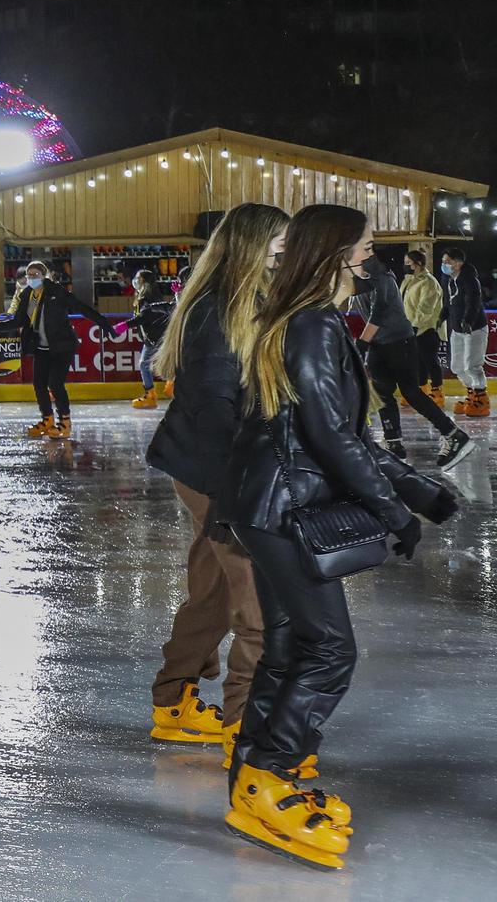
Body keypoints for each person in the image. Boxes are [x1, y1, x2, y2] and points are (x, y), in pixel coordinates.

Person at [218, 204, 460, 870]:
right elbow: (330, 434)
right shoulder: (316, 322)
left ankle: (252, 774)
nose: (370, 259)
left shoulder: (293, 317)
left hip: (264, 505)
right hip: (284, 507)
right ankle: (269, 774)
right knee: (330, 651)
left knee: (293, 642)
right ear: (335, 254)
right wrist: (395, 510)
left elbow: (322, 429)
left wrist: (413, 488)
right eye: (364, 248)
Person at [143, 202, 286, 749]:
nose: (285, 248)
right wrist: (236, 487)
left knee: (213, 593)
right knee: (256, 602)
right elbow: (211, 403)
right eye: (278, 239)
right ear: (251, 242)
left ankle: (173, 699)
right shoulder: (220, 308)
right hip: (217, 470)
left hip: (215, 465)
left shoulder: (249, 299)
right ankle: (245, 734)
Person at [351, 252, 476, 470]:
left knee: (411, 392)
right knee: (382, 392)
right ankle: (394, 442)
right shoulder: (356, 279)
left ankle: (454, 434)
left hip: (400, 342)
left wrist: (361, 344)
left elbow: (378, 313)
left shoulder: (384, 278)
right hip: (378, 344)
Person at [0, 260, 124, 438]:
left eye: (35, 275)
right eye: (29, 275)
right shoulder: (27, 294)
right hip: (41, 347)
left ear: (44, 276)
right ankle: (47, 418)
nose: (32, 278)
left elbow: (81, 307)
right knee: (39, 384)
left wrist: (103, 322)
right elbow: (19, 320)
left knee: (55, 384)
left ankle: (65, 422)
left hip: (62, 346)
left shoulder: (56, 291)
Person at [439, 247, 488, 417]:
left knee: (472, 365)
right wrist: (442, 316)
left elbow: (473, 302)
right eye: (443, 261)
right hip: (457, 328)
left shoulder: (469, 280)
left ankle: (481, 399)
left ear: (458, 263)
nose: (444, 265)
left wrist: (468, 320)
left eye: (448, 262)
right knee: (458, 366)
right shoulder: (447, 279)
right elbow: (448, 300)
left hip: (473, 328)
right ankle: (472, 394)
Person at [400, 250, 446, 406]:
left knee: (429, 360)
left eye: (408, 263)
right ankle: (421, 391)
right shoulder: (408, 281)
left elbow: (425, 308)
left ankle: (437, 392)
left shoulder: (429, 282)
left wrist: (414, 325)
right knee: (416, 362)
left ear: (417, 264)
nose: (405, 266)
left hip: (427, 329)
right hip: (410, 328)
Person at [128, 270, 177, 410]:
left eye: (138, 278)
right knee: (150, 364)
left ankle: (156, 393)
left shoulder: (148, 297)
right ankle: (161, 389)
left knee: (146, 364)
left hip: (156, 336)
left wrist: (125, 325)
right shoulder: (147, 296)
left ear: (144, 281)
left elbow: (146, 316)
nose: (135, 281)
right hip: (153, 337)